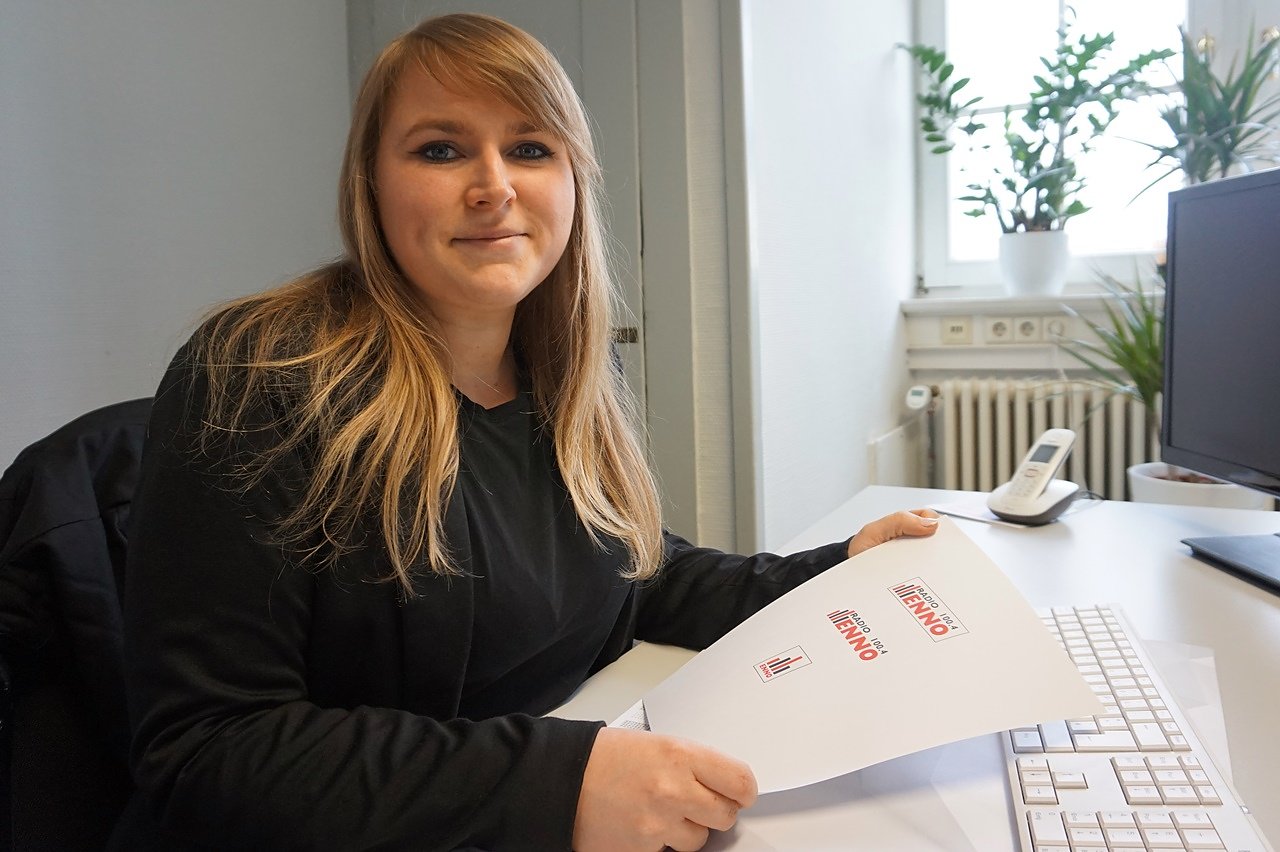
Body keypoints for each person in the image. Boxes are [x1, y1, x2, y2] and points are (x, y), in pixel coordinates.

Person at [112, 13, 939, 852]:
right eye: (440, 149)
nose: (493, 186)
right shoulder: (260, 375)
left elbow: (631, 573)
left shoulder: (567, 368)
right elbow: (208, 751)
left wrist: (830, 574)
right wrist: (563, 783)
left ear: (574, 180)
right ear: (370, 184)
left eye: (531, 148)